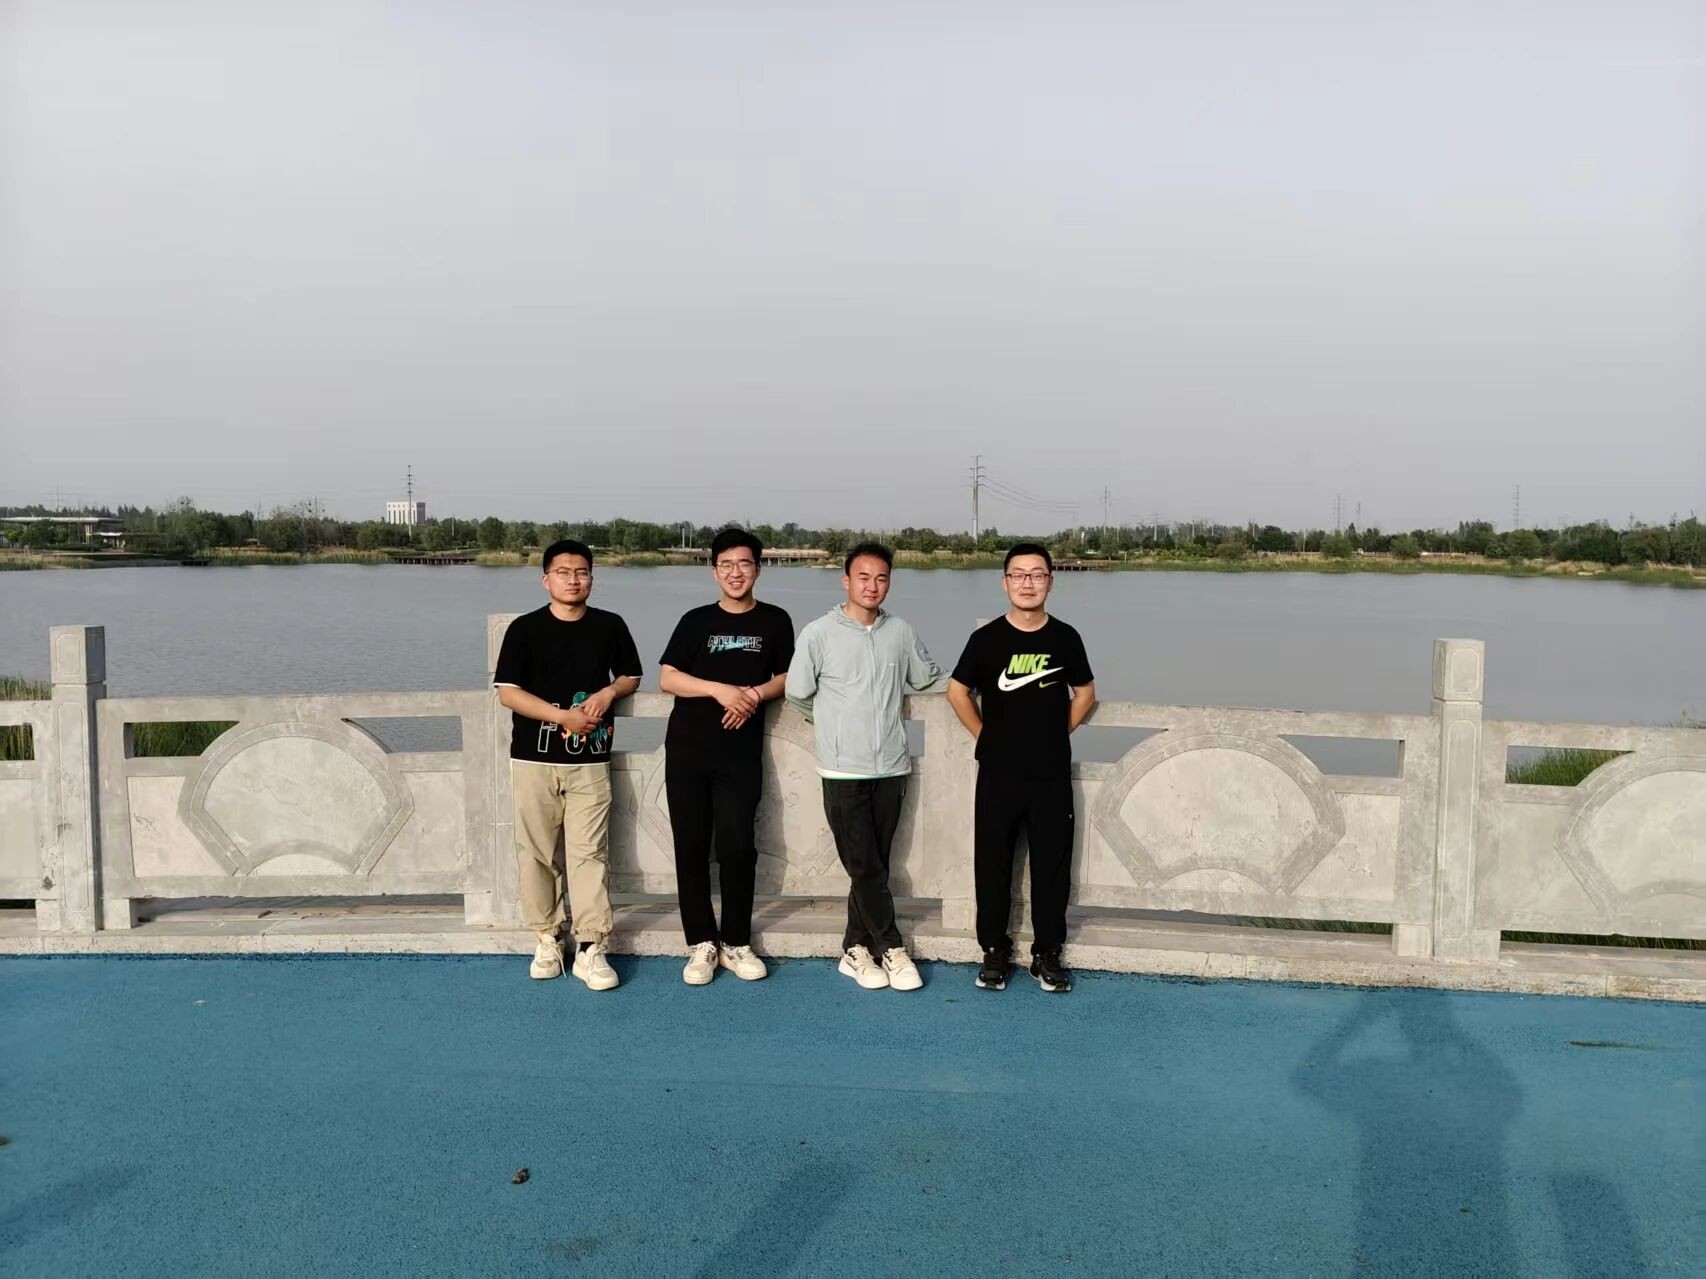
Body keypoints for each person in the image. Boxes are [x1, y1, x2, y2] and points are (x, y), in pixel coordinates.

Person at [786, 542, 948, 991]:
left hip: (891, 768)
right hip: (843, 770)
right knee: (865, 866)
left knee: (874, 865)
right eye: (863, 577)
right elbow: (797, 692)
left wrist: (979, 681)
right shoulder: (818, 633)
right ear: (846, 581)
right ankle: (892, 948)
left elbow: (930, 679)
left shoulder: (901, 631)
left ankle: (854, 949)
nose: (872, 586)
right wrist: (835, 727)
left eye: (881, 578)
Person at [493, 538, 642, 989]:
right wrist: (563, 718)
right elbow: (508, 693)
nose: (573, 580)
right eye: (563, 572)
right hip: (532, 758)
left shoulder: (609, 625)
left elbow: (631, 675)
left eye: (581, 572)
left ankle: (591, 945)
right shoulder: (524, 629)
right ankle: (547, 936)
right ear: (546, 579)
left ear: (591, 578)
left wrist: (607, 692)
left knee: (589, 852)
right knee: (536, 852)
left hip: (590, 759)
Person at [946, 543, 1095, 993]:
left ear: (1050, 581)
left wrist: (1054, 733)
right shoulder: (986, 639)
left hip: (1050, 774)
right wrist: (986, 737)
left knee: (1052, 865)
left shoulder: (1065, 637)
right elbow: (957, 692)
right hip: (998, 772)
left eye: (1037, 574)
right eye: (1018, 574)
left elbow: (1085, 694)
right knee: (992, 863)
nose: (1027, 583)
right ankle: (994, 950)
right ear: (1005, 582)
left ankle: (1047, 953)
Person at [658, 527, 795, 985]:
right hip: (688, 750)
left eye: (744, 564)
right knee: (691, 848)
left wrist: (752, 695)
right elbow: (668, 678)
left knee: (738, 847)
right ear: (714, 571)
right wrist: (719, 690)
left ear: (758, 568)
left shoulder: (775, 621)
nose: (736, 573)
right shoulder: (695, 621)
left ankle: (736, 941)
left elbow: (787, 676)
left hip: (740, 755)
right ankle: (701, 942)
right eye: (727, 565)